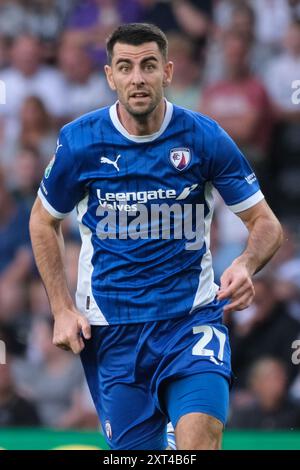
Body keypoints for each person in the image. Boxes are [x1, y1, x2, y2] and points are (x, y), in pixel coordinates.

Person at [29, 23, 283, 450]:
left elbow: (267, 224)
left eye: (148, 66)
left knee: (200, 439)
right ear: (110, 76)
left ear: (167, 71)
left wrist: (244, 263)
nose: (137, 78)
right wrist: (61, 308)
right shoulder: (80, 142)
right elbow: (42, 221)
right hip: (113, 330)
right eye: (125, 68)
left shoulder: (203, 137)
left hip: (190, 320)